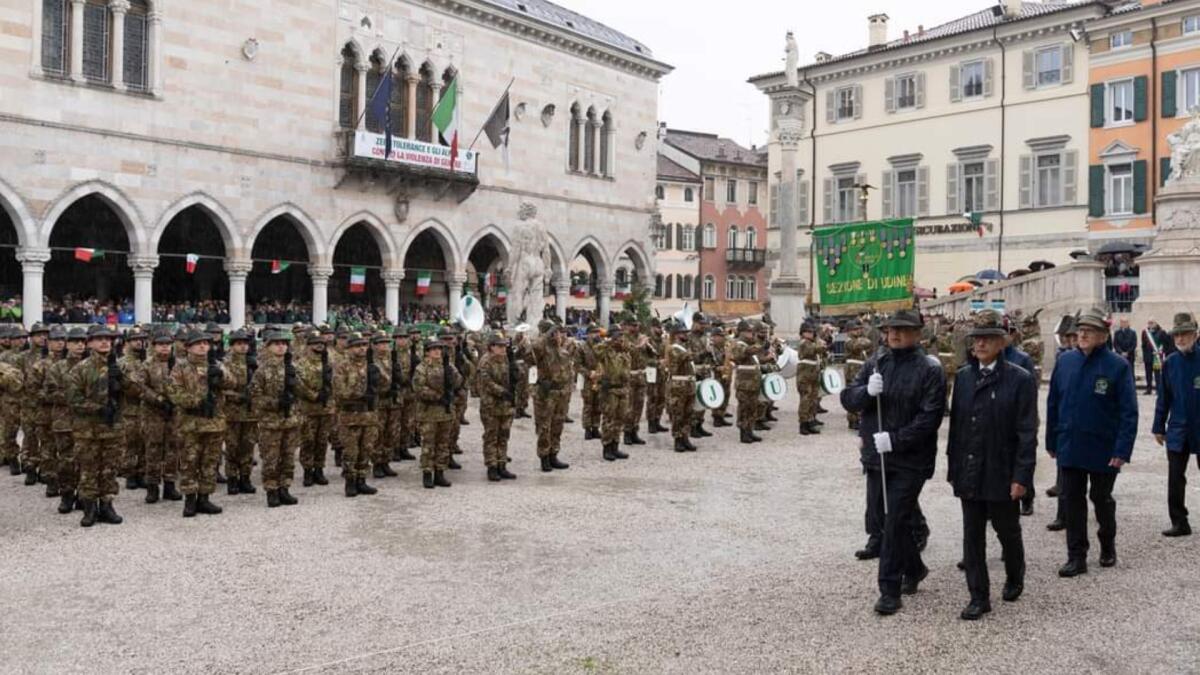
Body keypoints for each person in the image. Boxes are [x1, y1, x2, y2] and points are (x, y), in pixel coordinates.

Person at [840, 309, 946, 616]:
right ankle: (914, 569)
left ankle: (889, 589)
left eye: (901, 329)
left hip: (911, 459)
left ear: (917, 333)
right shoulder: (876, 362)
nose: (894, 335)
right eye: (890, 330)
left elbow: (930, 418)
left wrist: (896, 439)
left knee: (894, 520)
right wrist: (865, 392)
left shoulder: (930, 369)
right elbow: (847, 398)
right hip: (878, 457)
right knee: (884, 519)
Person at [946, 310, 1038, 620]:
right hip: (970, 468)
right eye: (976, 339)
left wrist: (1021, 476)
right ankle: (978, 596)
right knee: (972, 536)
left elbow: (1027, 433)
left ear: (1001, 342)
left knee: (1007, 531)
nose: (980, 344)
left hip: (1001, 469)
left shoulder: (1020, 379)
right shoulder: (963, 377)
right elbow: (957, 428)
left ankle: (1015, 574)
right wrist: (953, 468)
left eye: (987, 338)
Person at [1046, 308, 1138, 577]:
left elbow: (1128, 412)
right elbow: (1054, 403)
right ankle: (1076, 556)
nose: (1083, 334)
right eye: (1080, 330)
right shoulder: (1065, 362)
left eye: (1090, 330)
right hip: (1071, 444)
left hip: (1104, 448)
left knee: (1101, 498)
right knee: (1072, 500)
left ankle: (1107, 545)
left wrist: (1122, 450)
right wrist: (1052, 439)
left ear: (1102, 335)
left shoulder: (1117, 366)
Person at [168, 331, 238, 517]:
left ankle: (205, 498)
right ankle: (190, 500)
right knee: (190, 462)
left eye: (205, 343)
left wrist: (221, 376)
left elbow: (233, 383)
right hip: (190, 424)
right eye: (197, 343)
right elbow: (174, 393)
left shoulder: (216, 364)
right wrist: (197, 402)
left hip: (214, 423)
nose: (202, 346)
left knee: (210, 462)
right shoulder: (180, 368)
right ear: (189, 347)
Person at [67, 325, 126, 527]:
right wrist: (98, 408)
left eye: (108, 339)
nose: (105, 342)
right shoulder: (80, 369)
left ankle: (107, 505)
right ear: (89, 343)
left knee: (110, 468)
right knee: (88, 469)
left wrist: (121, 381)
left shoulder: (118, 366)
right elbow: (73, 400)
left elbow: (135, 392)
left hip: (112, 428)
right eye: (99, 339)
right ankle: (89, 508)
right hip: (88, 430)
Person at [1152, 312, 1200, 537]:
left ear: (1195, 334)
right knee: (1175, 477)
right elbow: (1164, 397)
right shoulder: (1170, 363)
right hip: (1178, 427)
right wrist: (1158, 426)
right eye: (1177, 335)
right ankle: (1179, 522)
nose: (1180, 339)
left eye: (1185, 334)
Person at [250, 331, 301, 507]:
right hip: (271, 423)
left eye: (284, 343)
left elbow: (301, 393)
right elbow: (255, 397)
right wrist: (276, 402)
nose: (281, 346)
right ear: (269, 347)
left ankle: (284, 488)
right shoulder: (262, 370)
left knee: (288, 457)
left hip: (290, 421)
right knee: (271, 459)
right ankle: (271, 490)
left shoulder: (293, 368)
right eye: (277, 343)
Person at [332, 332, 387, 497]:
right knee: (351, 451)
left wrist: (378, 375)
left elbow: (385, 385)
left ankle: (362, 480)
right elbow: (340, 391)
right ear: (349, 348)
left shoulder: (372, 364)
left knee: (366, 449)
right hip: (350, 417)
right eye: (357, 346)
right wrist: (362, 392)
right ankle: (350, 481)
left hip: (369, 416)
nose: (361, 349)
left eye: (363, 345)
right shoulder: (341, 366)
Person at [412, 337, 462, 488]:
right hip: (429, 412)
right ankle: (427, 473)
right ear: (427, 352)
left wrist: (451, 373)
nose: (437, 352)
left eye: (439, 349)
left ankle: (440, 472)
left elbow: (459, 381)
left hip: (445, 412)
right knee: (428, 444)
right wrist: (438, 396)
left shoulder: (447, 366)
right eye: (433, 349)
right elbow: (419, 388)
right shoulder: (422, 368)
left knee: (443, 444)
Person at [526, 322, 573, 471]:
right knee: (544, 427)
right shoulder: (541, 349)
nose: (559, 335)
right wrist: (547, 334)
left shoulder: (562, 350)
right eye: (556, 332)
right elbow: (532, 349)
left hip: (560, 393)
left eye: (559, 332)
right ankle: (544, 457)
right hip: (545, 395)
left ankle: (554, 454)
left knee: (557, 425)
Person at [476, 333, 518, 481]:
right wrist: (502, 392)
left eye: (504, 346)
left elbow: (513, 378)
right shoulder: (485, 361)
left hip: (505, 405)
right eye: (499, 346)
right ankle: (492, 467)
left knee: (504, 435)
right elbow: (486, 382)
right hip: (491, 405)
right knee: (491, 436)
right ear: (491, 347)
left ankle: (502, 464)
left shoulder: (506, 359)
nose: (502, 349)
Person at [222, 330, 258, 495]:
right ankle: (232, 479)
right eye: (239, 343)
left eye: (245, 343)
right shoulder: (225, 364)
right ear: (232, 345)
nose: (243, 346)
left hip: (250, 414)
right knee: (232, 447)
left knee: (248, 447)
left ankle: (245, 477)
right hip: (232, 413)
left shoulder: (253, 363)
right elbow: (221, 389)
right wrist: (238, 396)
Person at [296, 331, 334, 487]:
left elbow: (336, 381)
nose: (319, 346)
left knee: (322, 441)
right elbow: (298, 384)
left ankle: (319, 468)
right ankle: (307, 470)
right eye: (315, 343)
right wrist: (314, 395)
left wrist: (329, 392)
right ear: (308, 346)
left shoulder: (328, 363)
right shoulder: (302, 363)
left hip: (325, 409)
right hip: (308, 409)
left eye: (322, 343)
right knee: (308, 441)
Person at [664, 320, 697, 452]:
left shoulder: (684, 347)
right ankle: (677, 439)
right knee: (678, 413)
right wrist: (698, 352)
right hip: (678, 385)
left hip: (688, 384)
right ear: (677, 334)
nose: (686, 335)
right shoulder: (673, 348)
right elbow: (684, 357)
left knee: (688, 413)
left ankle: (685, 437)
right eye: (684, 333)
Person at [796, 322, 822, 435]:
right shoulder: (804, 343)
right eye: (809, 332)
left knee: (813, 399)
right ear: (803, 333)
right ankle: (803, 424)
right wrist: (820, 341)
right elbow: (816, 349)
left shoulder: (811, 342)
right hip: (805, 376)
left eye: (812, 332)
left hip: (813, 375)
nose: (811, 334)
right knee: (805, 400)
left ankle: (810, 420)